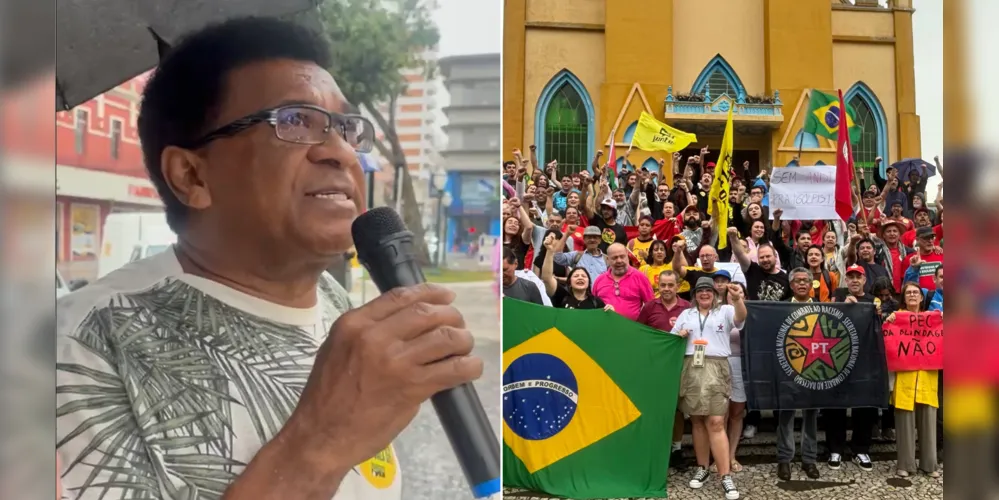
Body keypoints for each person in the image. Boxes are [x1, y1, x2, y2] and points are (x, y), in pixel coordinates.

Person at [56, 17, 484, 500]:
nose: (341, 152)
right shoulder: (80, 348)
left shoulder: (337, 305)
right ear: (191, 175)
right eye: (296, 121)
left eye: (346, 127)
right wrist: (319, 446)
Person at [672, 277, 747, 500]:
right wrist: (679, 335)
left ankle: (725, 475)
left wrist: (738, 299)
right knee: (696, 420)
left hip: (717, 366)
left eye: (708, 290)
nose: (704, 293)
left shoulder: (725, 310)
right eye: (700, 290)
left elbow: (741, 317)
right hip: (692, 367)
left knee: (715, 421)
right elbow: (671, 337)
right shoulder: (686, 314)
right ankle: (703, 467)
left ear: (714, 293)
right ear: (694, 294)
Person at [826, 265, 881, 471]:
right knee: (836, 406)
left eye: (858, 277)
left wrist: (882, 313)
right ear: (846, 281)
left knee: (864, 407)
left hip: (865, 362)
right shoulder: (838, 299)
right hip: (838, 361)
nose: (855, 280)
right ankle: (835, 448)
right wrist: (841, 308)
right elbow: (826, 324)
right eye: (851, 277)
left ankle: (861, 448)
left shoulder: (874, 301)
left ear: (865, 280)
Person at [885, 282, 941, 478]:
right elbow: (886, 342)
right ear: (903, 297)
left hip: (927, 379)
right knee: (904, 424)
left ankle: (929, 464)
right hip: (904, 380)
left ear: (921, 296)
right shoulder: (896, 318)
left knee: (928, 423)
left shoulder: (933, 319)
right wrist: (888, 321)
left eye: (915, 292)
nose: (912, 295)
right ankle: (905, 464)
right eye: (908, 292)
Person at [637, 269, 691, 469]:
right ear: (657, 286)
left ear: (678, 286)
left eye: (671, 285)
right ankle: (657, 448)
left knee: (677, 409)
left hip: (680, 365)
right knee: (657, 408)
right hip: (656, 366)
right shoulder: (650, 307)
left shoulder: (687, 307)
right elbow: (640, 334)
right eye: (663, 285)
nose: (667, 289)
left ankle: (676, 449)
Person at [776, 268, 822, 480]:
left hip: (814, 369)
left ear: (811, 284)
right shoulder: (780, 307)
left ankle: (809, 460)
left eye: (806, 280)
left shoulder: (823, 309)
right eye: (798, 281)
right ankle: (785, 460)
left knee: (811, 416)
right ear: (792, 285)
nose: (802, 284)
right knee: (786, 415)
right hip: (788, 369)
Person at [539, 233, 609, 310]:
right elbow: (547, 278)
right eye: (576, 276)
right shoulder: (562, 296)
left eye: (584, 276)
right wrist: (549, 250)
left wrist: (610, 310)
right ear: (569, 281)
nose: (580, 278)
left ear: (589, 282)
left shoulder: (597, 302)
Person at [592, 243, 654, 321]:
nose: (619, 260)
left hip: (632, 330)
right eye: (614, 258)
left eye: (622, 256)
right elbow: (593, 306)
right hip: (604, 328)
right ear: (607, 260)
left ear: (627, 256)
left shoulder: (640, 277)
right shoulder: (599, 280)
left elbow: (651, 306)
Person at [730, 228, 791, 302]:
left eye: (768, 256)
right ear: (758, 259)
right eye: (761, 257)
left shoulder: (786, 278)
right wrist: (733, 237)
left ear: (775, 256)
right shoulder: (752, 270)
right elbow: (740, 254)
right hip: (755, 313)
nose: (765, 260)